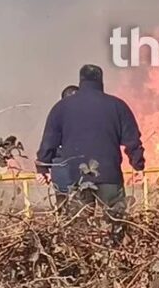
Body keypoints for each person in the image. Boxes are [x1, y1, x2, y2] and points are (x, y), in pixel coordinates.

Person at [36, 65, 145, 236]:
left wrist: (42, 168)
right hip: (109, 175)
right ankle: (116, 258)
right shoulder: (117, 106)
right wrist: (138, 165)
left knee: (79, 231)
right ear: (101, 81)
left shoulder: (61, 107)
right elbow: (132, 140)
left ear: (81, 80)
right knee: (116, 224)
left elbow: (49, 140)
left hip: (77, 177)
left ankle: (84, 260)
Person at [50, 85, 79, 208]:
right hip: (64, 176)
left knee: (82, 213)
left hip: (81, 177)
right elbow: (48, 145)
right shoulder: (57, 121)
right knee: (68, 211)